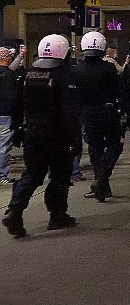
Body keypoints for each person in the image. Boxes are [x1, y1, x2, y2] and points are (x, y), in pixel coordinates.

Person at [3, 35, 81, 237]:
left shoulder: (30, 74)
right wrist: (75, 139)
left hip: (32, 132)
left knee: (32, 174)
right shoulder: (64, 75)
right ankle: (57, 215)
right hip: (57, 134)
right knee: (60, 175)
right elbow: (70, 111)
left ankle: (15, 210)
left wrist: (18, 128)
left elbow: (17, 104)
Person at [72, 31, 122, 203]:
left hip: (87, 114)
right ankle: (101, 180)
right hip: (107, 113)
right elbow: (118, 91)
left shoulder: (77, 69)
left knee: (95, 149)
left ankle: (102, 184)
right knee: (115, 145)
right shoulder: (108, 68)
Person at [0, 47, 23, 184]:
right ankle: (2, 175)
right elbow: (12, 97)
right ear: (6, 58)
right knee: (3, 147)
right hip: (4, 115)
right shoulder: (9, 75)